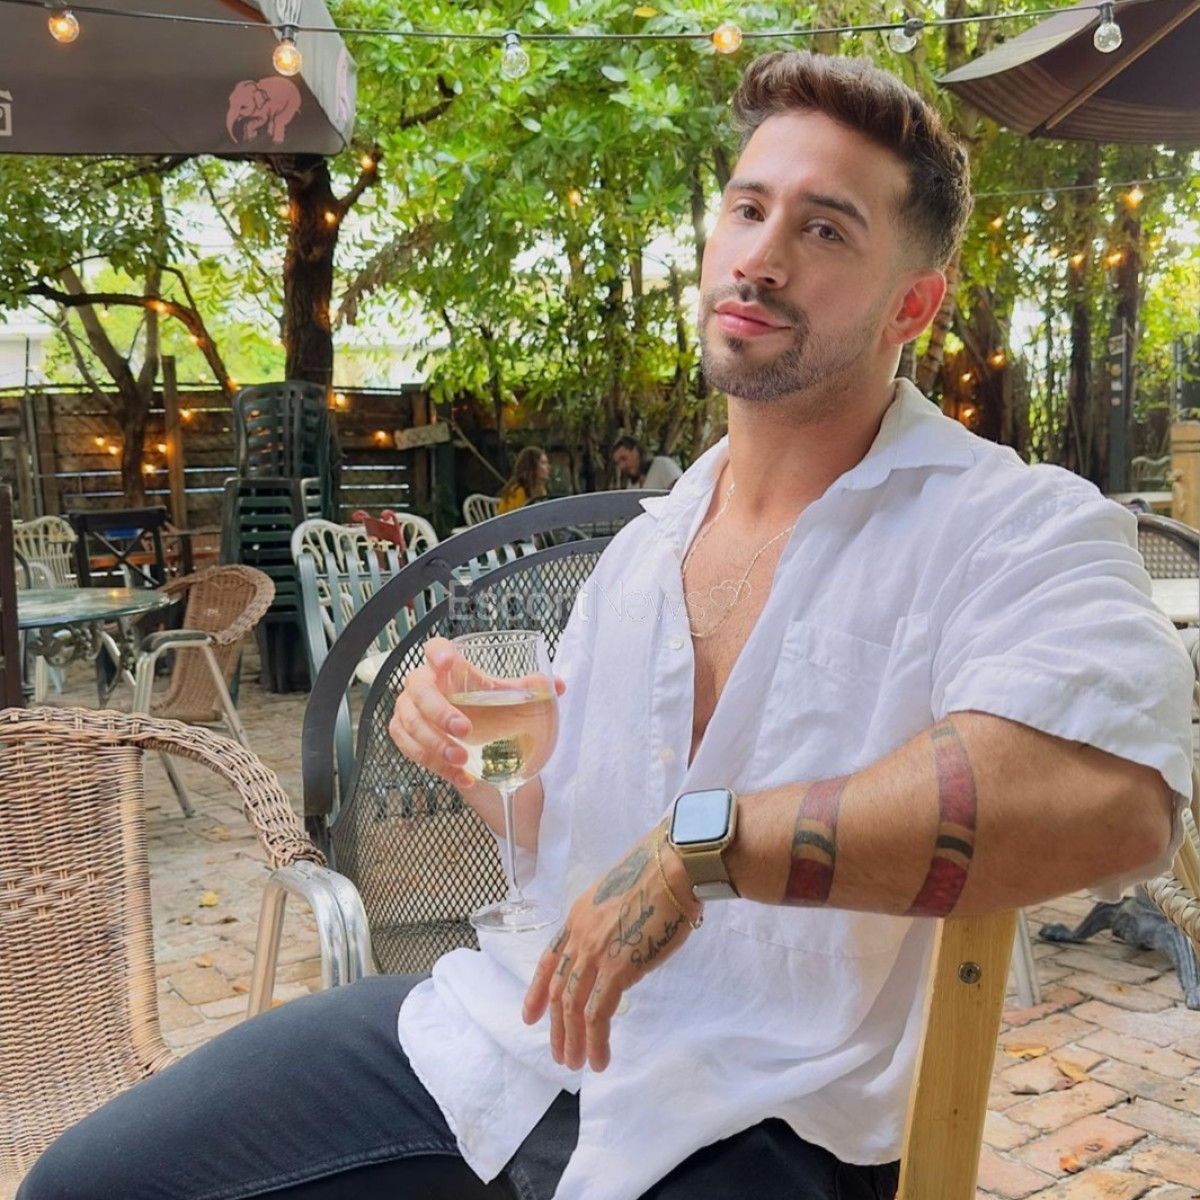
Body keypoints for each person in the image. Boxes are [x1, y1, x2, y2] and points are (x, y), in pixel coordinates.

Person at [20, 50, 1194, 1200]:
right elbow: (569, 836)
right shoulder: (641, 553)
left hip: (766, 1116)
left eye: (826, 229)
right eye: (749, 209)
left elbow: (1109, 797)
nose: (762, 256)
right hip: (503, 1039)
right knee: (89, 1181)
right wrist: (480, 756)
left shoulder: (1009, 524)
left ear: (914, 305)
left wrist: (706, 849)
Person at [612, 435, 682, 491]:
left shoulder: (662, 465)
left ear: (635, 451)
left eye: (624, 458)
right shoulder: (631, 485)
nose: (622, 466)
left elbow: (681, 491)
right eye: (618, 463)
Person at [498, 446, 552, 514]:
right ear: (532, 466)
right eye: (543, 463)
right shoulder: (518, 491)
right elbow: (516, 517)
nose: (549, 467)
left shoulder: (540, 488)